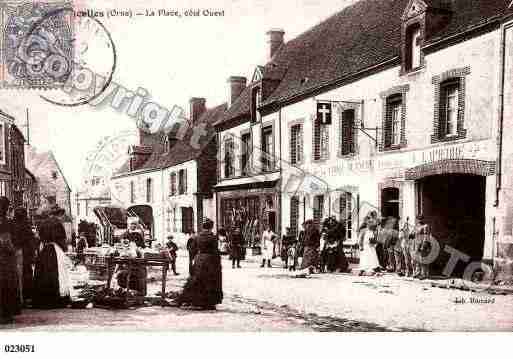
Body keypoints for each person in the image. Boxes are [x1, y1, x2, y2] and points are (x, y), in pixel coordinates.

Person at [172, 219, 223, 310]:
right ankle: (208, 303)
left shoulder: (197, 237)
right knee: (210, 281)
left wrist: (193, 261)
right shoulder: (213, 238)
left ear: (203, 227)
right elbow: (215, 251)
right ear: (211, 227)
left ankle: (195, 300)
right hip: (210, 261)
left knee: (197, 280)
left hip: (199, 260)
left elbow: (191, 250)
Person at [32, 217, 72, 309]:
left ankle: (44, 298)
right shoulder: (57, 224)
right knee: (59, 274)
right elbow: (62, 240)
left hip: (46, 251)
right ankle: (56, 298)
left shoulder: (45, 224)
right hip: (55, 251)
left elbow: (40, 238)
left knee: (44, 273)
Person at [0, 197, 19, 324]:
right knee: (7, 285)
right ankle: (5, 314)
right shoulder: (6, 222)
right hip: (5, 259)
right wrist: (13, 250)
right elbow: (6, 242)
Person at [12, 208, 37, 304]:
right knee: (26, 274)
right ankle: (26, 297)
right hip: (25, 253)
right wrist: (33, 253)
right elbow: (31, 241)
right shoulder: (26, 225)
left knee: (18, 275)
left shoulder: (13, 224)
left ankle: (19, 297)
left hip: (17, 252)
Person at [413, 216, 431, 280]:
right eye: (418, 219)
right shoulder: (416, 226)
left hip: (422, 244)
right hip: (416, 244)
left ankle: (424, 274)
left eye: (421, 219)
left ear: (423, 219)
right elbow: (414, 235)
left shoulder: (425, 226)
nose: (419, 220)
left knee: (423, 259)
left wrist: (424, 245)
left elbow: (426, 236)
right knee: (417, 259)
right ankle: (418, 272)